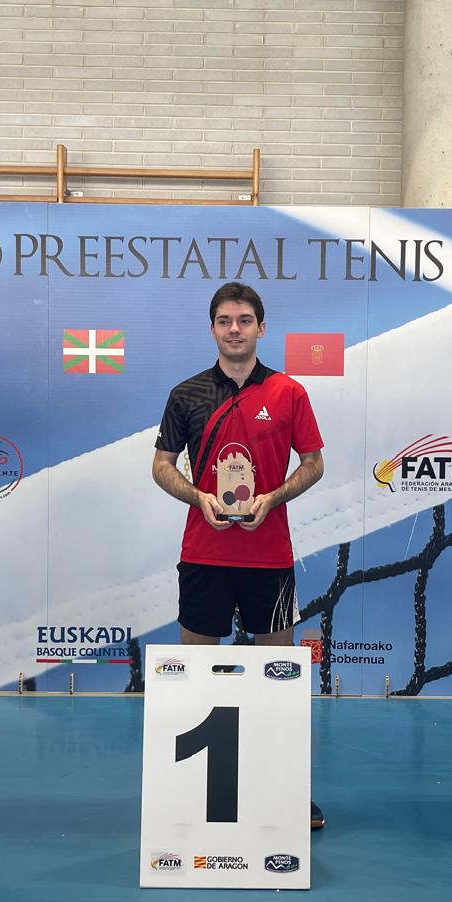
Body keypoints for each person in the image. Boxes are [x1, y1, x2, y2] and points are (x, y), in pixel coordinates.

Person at [152, 282, 327, 828]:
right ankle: (195, 790)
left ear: (261, 328)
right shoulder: (186, 395)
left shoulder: (288, 392)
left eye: (245, 320)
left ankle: (284, 788)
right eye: (225, 320)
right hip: (204, 555)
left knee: (277, 678)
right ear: (212, 328)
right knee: (197, 674)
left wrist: (272, 498)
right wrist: (198, 497)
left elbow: (314, 464)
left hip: (269, 559)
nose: (235, 329)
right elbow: (161, 466)